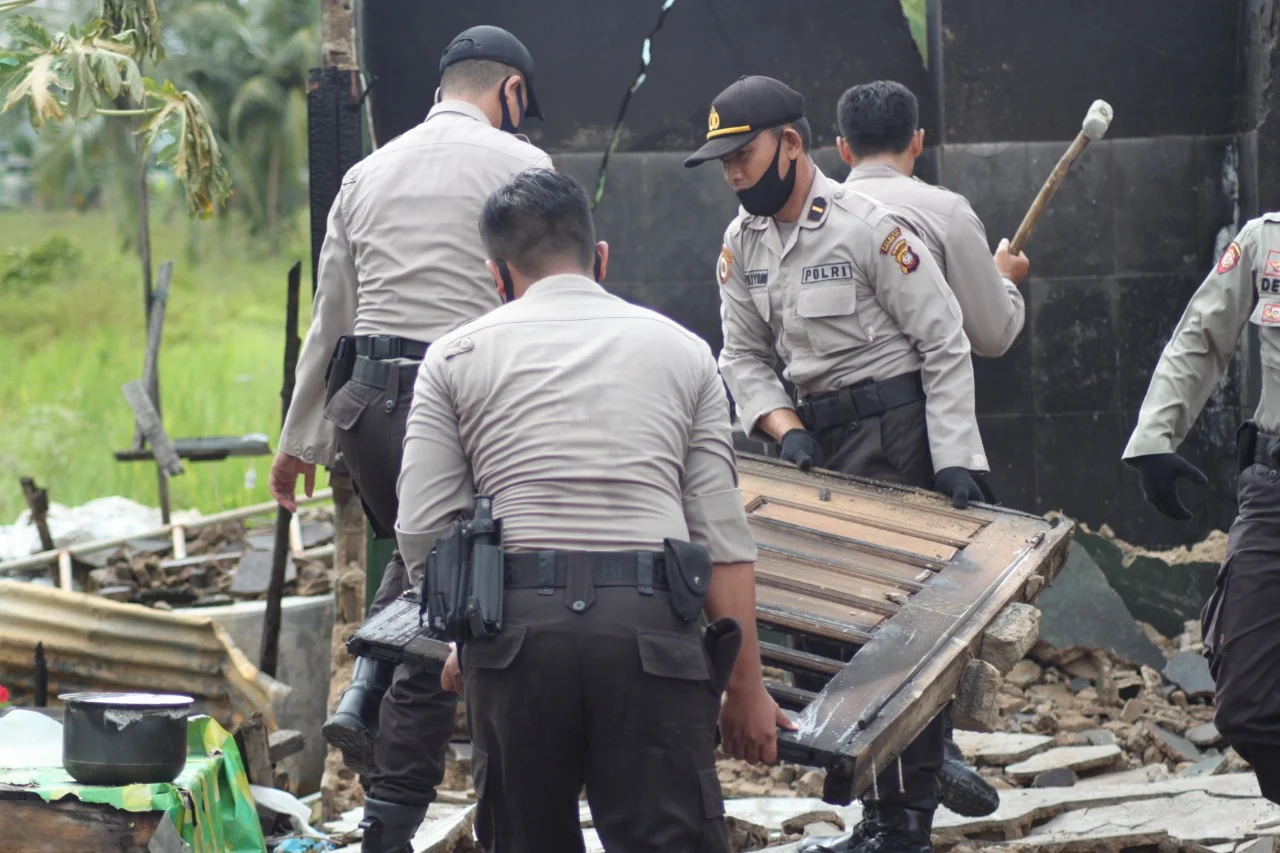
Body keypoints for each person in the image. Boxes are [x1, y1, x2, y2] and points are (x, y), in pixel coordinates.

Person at [396, 168, 791, 852]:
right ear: (600, 258)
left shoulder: (452, 357)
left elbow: (423, 526)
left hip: (515, 639)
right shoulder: (685, 351)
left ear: (498, 274)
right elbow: (724, 541)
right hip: (650, 638)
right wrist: (746, 688)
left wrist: (466, 636)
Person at [266, 24, 552, 852]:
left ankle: (363, 691)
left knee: (428, 572)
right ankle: (392, 820)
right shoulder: (526, 168)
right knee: (452, 609)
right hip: (460, 408)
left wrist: (299, 441)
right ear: (511, 94)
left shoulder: (364, 171)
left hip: (366, 412)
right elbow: (550, 303)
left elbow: (332, 320)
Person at [685, 75, 988, 853]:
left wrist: (956, 457)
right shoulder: (739, 244)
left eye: (743, 154)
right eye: (723, 162)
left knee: (897, 641)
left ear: (791, 142)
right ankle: (883, 816)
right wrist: (783, 428)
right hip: (814, 452)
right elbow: (742, 357)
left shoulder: (868, 226)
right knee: (834, 640)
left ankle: (903, 825)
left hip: (895, 437)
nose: (734, 174)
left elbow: (944, 340)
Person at [832, 79, 1033, 820]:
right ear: (919, 141)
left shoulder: (812, 218)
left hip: (824, 442)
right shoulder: (945, 212)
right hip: (917, 431)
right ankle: (928, 752)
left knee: (858, 613)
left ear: (840, 147)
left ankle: (897, 796)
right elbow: (990, 332)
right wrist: (1006, 283)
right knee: (924, 602)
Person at [1123, 213, 1280, 805]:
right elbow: (1201, 336)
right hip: (1274, 492)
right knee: (1247, 705)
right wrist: (1155, 439)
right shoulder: (1267, 240)